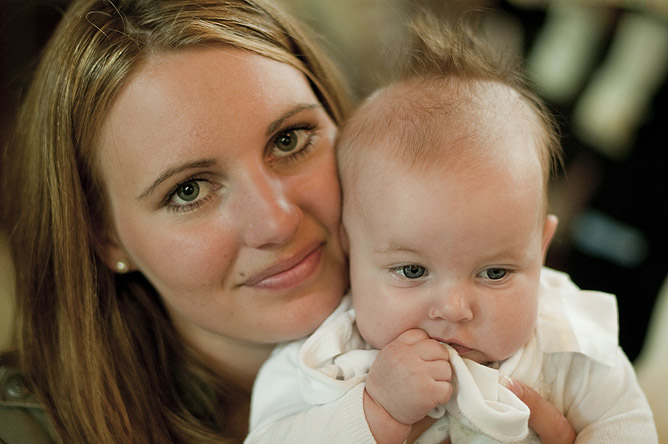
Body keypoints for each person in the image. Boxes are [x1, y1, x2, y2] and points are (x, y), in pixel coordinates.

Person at [0, 0, 583, 443]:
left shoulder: (531, 332)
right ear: (104, 236)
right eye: (189, 190)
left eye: (289, 139)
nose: (276, 221)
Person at [247, 15, 657, 444]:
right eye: (412, 271)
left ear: (541, 250)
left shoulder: (569, 344)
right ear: (350, 247)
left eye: (494, 273)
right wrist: (376, 412)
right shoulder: (326, 353)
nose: (454, 309)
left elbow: (628, 426)